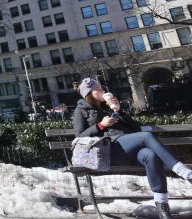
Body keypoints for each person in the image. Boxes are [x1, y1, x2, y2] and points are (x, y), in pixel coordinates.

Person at [74, 78, 192, 219]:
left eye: (102, 88)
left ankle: (163, 209)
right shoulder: (80, 110)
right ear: (88, 93)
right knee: (146, 136)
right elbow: (79, 136)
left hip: (128, 149)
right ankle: (186, 173)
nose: (102, 90)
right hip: (110, 150)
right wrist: (101, 125)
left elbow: (136, 128)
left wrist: (120, 111)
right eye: (98, 89)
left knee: (150, 155)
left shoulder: (108, 106)